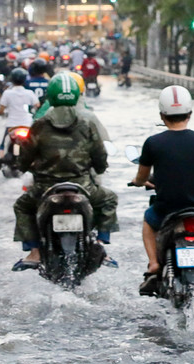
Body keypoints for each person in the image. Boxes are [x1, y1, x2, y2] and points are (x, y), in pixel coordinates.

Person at [12, 73, 118, 271]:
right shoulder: (87, 122)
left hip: (45, 188)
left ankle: (34, 252)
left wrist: (24, 166)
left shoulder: (39, 124)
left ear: (50, 96)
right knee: (109, 198)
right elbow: (100, 155)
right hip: (82, 186)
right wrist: (100, 169)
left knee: (22, 206)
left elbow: (25, 157)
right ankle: (102, 246)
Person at [131, 86, 194, 296]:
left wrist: (138, 182)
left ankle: (154, 265)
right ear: (190, 114)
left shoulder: (153, 143)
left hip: (167, 210)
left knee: (148, 222)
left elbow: (142, 177)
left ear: (162, 115)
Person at [0, 67, 37, 148]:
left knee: (2, 147)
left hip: (12, 125)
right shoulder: (30, 93)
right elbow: (37, 105)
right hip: (27, 124)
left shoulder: (7, 93)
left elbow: (1, 109)